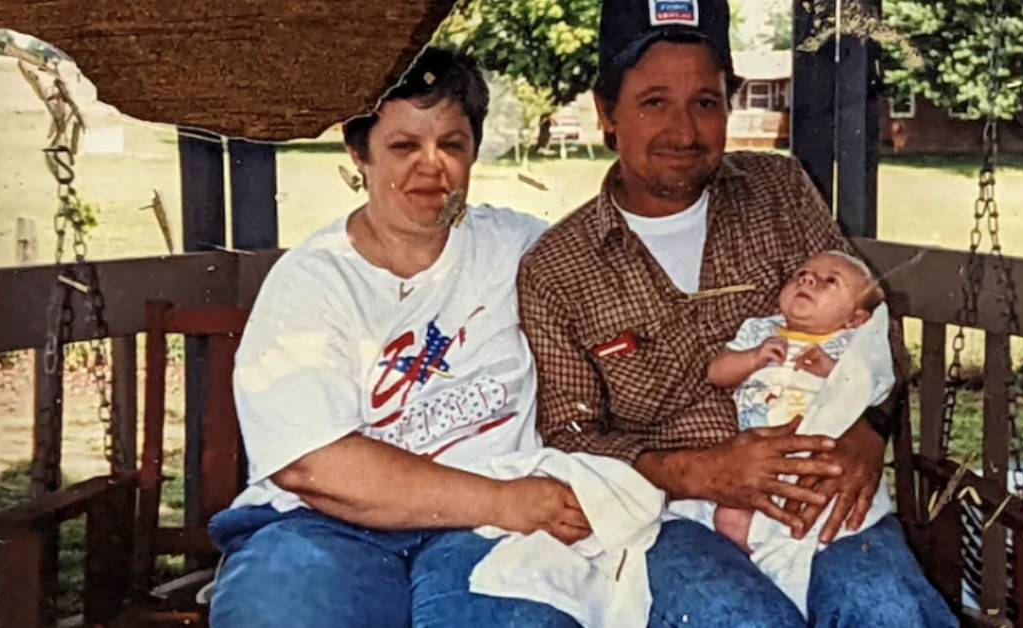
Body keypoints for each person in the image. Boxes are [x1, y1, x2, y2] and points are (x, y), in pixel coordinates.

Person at [517, 0, 957, 625]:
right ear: (607, 113)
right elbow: (568, 436)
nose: (684, 130)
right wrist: (702, 472)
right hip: (665, 516)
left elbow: (871, 329)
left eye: (706, 101)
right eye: (654, 101)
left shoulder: (778, 190)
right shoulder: (559, 267)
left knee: (886, 611)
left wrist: (868, 432)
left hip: (817, 485)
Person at [208, 47, 589, 627]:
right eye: (404, 146)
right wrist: (505, 501)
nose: (431, 167)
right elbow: (314, 467)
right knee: (284, 608)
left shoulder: (519, 249)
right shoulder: (314, 281)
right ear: (358, 153)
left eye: (452, 145)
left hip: (484, 533)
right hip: (327, 526)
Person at [708, 250, 895, 614]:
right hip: (757, 456)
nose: (808, 280)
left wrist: (833, 372)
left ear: (856, 318)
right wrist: (752, 359)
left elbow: (871, 388)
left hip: (815, 457)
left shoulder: (848, 347)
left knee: (821, 523)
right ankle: (765, 578)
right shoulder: (760, 331)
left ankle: (792, 573)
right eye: (802, 274)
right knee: (728, 518)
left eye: (829, 281)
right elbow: (717, 373)